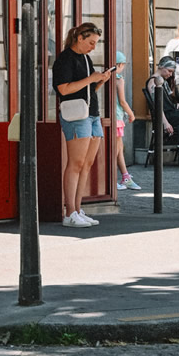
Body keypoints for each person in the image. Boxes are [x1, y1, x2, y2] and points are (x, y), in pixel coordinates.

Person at [53, 22, 114, 228]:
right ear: (79, 38)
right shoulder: (65, 59)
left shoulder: (85, 59)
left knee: (87, 164)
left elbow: (87, 88)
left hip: (92, 113)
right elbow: (63, 89)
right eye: (90, 42)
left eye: (95, 43)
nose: (93, 47)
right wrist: (91, 79)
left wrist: (101, 80)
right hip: (77, 115)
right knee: (76, 163)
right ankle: (69, 212)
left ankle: (78, 209)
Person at [113, 51, 141, 190]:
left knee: (117, 149)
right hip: (117, 117)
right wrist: (131, 114)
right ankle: (120, 178)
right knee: (117, 150)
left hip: (111, 117)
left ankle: (125, 176)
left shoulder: (107, 78)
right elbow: (123, 101)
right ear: (119, 64)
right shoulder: (119, 79)